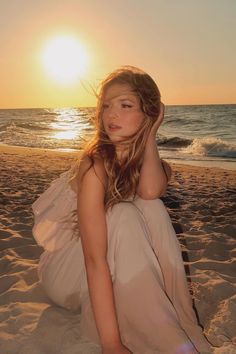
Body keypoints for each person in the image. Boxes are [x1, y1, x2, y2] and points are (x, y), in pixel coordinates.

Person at [32, 66, 213, 354]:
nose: (111, 115)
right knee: (123, 213)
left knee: (151, 207)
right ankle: (135, 328)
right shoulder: (94, 165)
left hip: (108, 265)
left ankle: (170, 316)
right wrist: (112, 344)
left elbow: (151, 191)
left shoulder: (149, 162)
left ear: (148, 115)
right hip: (70, 270)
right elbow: (94, 260)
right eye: (106, 106)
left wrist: (151, 133)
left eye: (125, 105)